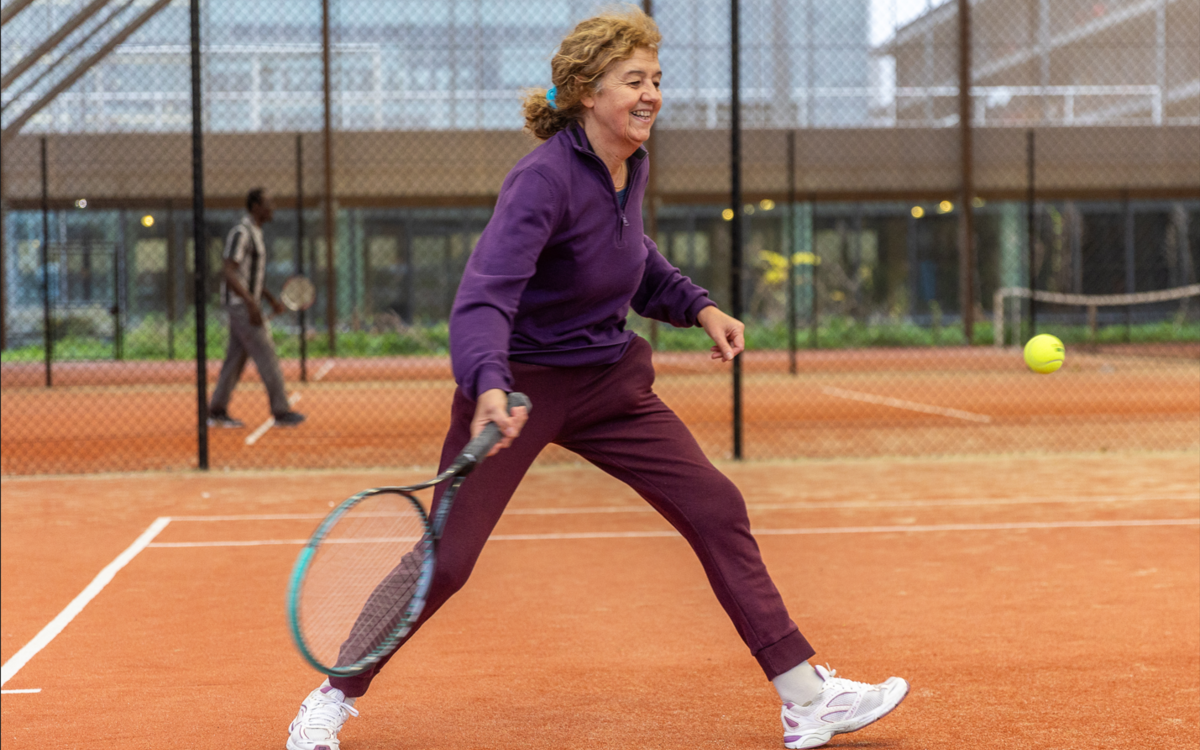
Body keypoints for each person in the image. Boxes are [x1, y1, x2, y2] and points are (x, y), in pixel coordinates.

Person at [286, 9, 905, 750]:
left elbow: (632, 258)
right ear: (587, 92)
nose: (651, 95)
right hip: (518, 390)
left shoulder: (629, 166)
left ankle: (805, 698)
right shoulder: (540, 181)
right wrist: (486, 382)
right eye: (634, 80)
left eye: (656, 80)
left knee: (716, 505)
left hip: (609, 381)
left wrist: (698, 306)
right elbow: (484, 294)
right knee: (445, 562)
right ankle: (333, 696)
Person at [208, 188, 306, 428]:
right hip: (242, 307)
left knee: (235, 359)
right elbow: (229, 271)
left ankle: (216, 410)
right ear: (254, 207)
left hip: (245, 304)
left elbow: (249, 278)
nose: (273, 208)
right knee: (267, 354)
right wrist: (252, 304)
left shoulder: (257, 234)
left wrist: (269, 299)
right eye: (268, 204)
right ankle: (281, 411)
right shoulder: (242, 233)